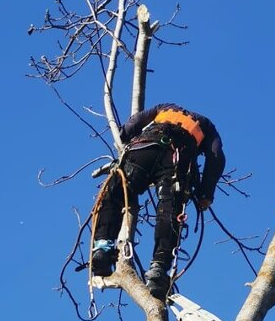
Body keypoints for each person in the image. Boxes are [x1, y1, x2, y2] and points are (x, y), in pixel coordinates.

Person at [91, 103, 225, 300]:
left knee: (116, 190)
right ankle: (159, 270)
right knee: (170, 209)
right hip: (177, 157)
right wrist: (206, 194)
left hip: (145, 147)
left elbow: (134, 123)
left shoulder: (164, 108)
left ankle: (103, 248)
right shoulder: (206, 125)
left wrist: (124, 136)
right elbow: (216, 156)